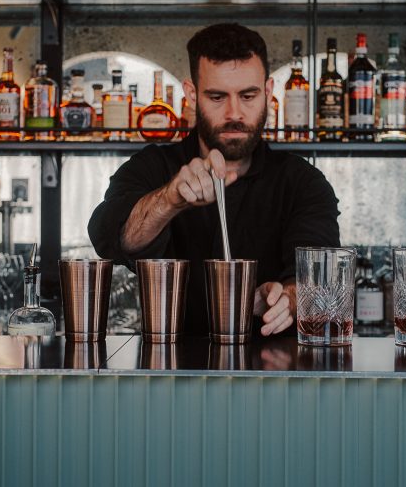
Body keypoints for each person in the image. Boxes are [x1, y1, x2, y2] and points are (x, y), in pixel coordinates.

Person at [88, 23, 340, 337]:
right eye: (218, 97)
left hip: (276, 373)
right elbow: (114, 239)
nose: (235, 113)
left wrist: (286, 299)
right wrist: (169, 200)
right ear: (192, 94)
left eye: (248, 95)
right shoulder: (152, 167)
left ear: (268, 91)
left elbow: (318, 272)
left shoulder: (302, 181)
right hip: (170, 367)